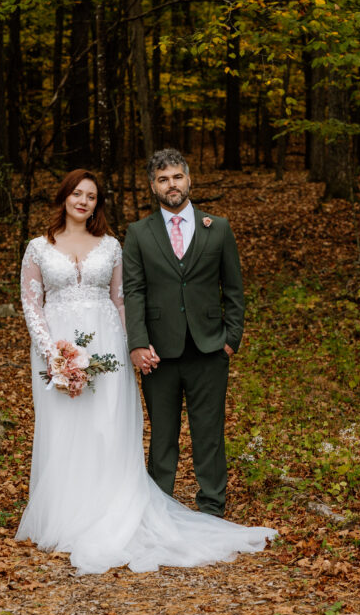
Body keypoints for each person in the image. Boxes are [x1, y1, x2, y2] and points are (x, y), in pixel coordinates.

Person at [16, 168, 276, 575]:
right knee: (66, 428)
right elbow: (31, 304)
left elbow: (124, 300)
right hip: (56, 350)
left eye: (91, 196)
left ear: (98, 203)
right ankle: (69, 513)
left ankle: (114, 508)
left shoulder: (112, 246)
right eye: (77, 194)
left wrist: (133, 345)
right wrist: (53, 354)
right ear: (63, 197)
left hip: (109, 349)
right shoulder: (37, 247)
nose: (83, 201)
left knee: (107, 427)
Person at [122, 148, 241, 517]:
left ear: (189, 180)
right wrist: (138, 343)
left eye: (176, 177)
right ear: (152, 187)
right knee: (162, 436)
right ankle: (161, 509)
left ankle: (212, 508)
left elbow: (234, 289)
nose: (171, 185)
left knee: (209, 433)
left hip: (209, 348)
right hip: (159, 352)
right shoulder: (139, 233)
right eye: (162, 179)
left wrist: (230, 340)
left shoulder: (217, 227)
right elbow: (134, 291)